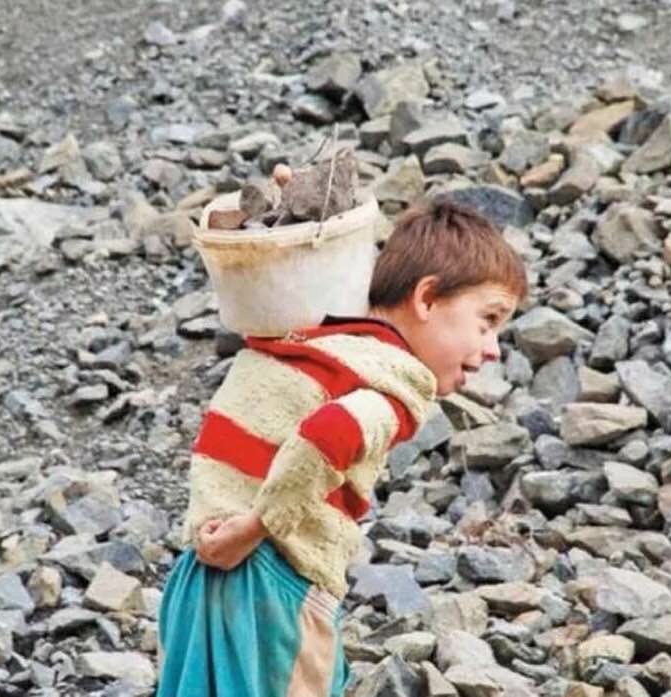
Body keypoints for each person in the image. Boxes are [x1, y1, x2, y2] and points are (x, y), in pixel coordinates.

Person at [155, 197, 529, 696]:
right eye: (488, 321)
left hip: (198, 573)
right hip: (272, 584)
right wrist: (258, 526)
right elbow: (328, 434)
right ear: (427, 298)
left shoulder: (312, 338)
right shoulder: (397, 383)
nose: (493, 348)